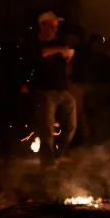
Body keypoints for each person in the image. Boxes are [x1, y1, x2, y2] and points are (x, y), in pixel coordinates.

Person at [24, 11, 77, 167]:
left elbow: (67, 63)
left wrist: (68, 56)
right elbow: (40, 54)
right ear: (42, 26)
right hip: (43, 91)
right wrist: (59, 50)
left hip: (61, 90)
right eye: (51, 26)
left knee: (70, 125)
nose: (54, 30)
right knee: (46, 128)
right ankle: (47, 163)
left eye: (56, 27)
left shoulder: (59, 43)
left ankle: (57, 153)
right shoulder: (33, 43)